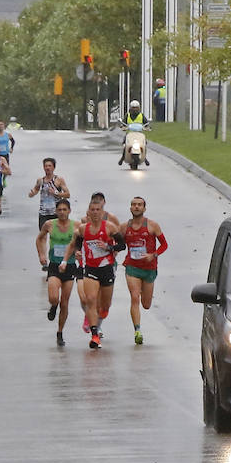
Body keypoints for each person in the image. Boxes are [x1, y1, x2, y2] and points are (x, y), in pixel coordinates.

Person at [60, 191, 120, 349]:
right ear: (88, 212)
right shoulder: (82, 229)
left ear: (102, 211)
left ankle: (100, 319)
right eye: (92, 210)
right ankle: (94, 335)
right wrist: (78, 252)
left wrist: (108, 247)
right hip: (90, 269)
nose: (95, 213)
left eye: (97, 210)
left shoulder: (110, 227)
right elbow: (78, 243)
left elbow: (122, 245)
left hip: (106, 268)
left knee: (105, 306)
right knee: (90, 300)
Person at [120, 196, 167, 345]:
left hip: (149, 269)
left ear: (144, 208)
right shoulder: (124, 227)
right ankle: (137, 331)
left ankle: (142, 289)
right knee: (135, 297)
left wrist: (153, 255)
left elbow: (164, 245)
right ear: (130, 208)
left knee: (146, 304)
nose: (136, 207)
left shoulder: (153, 226)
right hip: (132, 267)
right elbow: (118, 244)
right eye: (133, 204)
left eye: (139, 205)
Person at [36, 198, 82, 346]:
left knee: (65, 302)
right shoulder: (49, 224)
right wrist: (42, 255)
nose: (62, 212)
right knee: (54, 297)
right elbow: (40, 238)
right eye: (59, 210)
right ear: (56, 211)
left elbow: (83, 242)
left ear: (69, 211)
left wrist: (79, 252)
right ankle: (53, 306)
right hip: (55, 266)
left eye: (65, 210)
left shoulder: (76, 226)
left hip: (69, 266)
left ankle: (60, 332)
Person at [27, 157, 71, 229]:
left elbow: (67, 194)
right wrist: (32, 193)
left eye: (49, 166)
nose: (47, 168)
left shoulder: (58, 180)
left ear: (54, 167)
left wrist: (55, 193)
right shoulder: (40, 180)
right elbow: (35, 190)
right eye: (45, 166)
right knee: (42, 235)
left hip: (56, 212)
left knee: (56, 235)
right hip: (43, 212)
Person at [118, 100, 150, 166]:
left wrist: (147, 127)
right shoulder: (128, 115)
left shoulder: (141, 115)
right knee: (125, 144)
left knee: (144, 144)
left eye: (136, 108)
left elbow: (146, 123)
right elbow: (124, 123)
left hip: (139, 133)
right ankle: (122, 157)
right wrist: (123, 127)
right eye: (133, 107)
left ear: (139, 108)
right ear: (130, 108)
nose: (135, 109)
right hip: (130, 133)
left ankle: (145, 157)